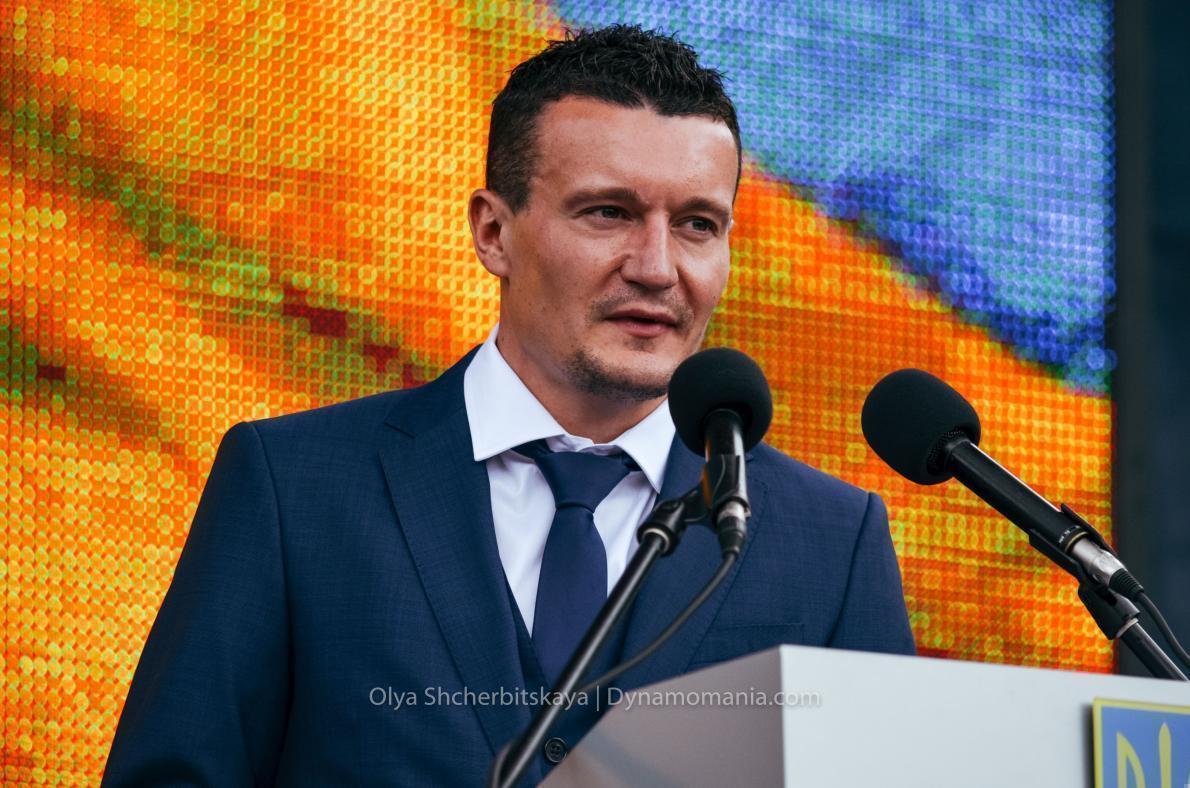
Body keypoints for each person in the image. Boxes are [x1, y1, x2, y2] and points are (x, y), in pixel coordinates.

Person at [104, 24, 915, 786]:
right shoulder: (293, 486)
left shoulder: (831, 543)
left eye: (698, 224)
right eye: (609, 213)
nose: (657, 267)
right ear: (494, 233)